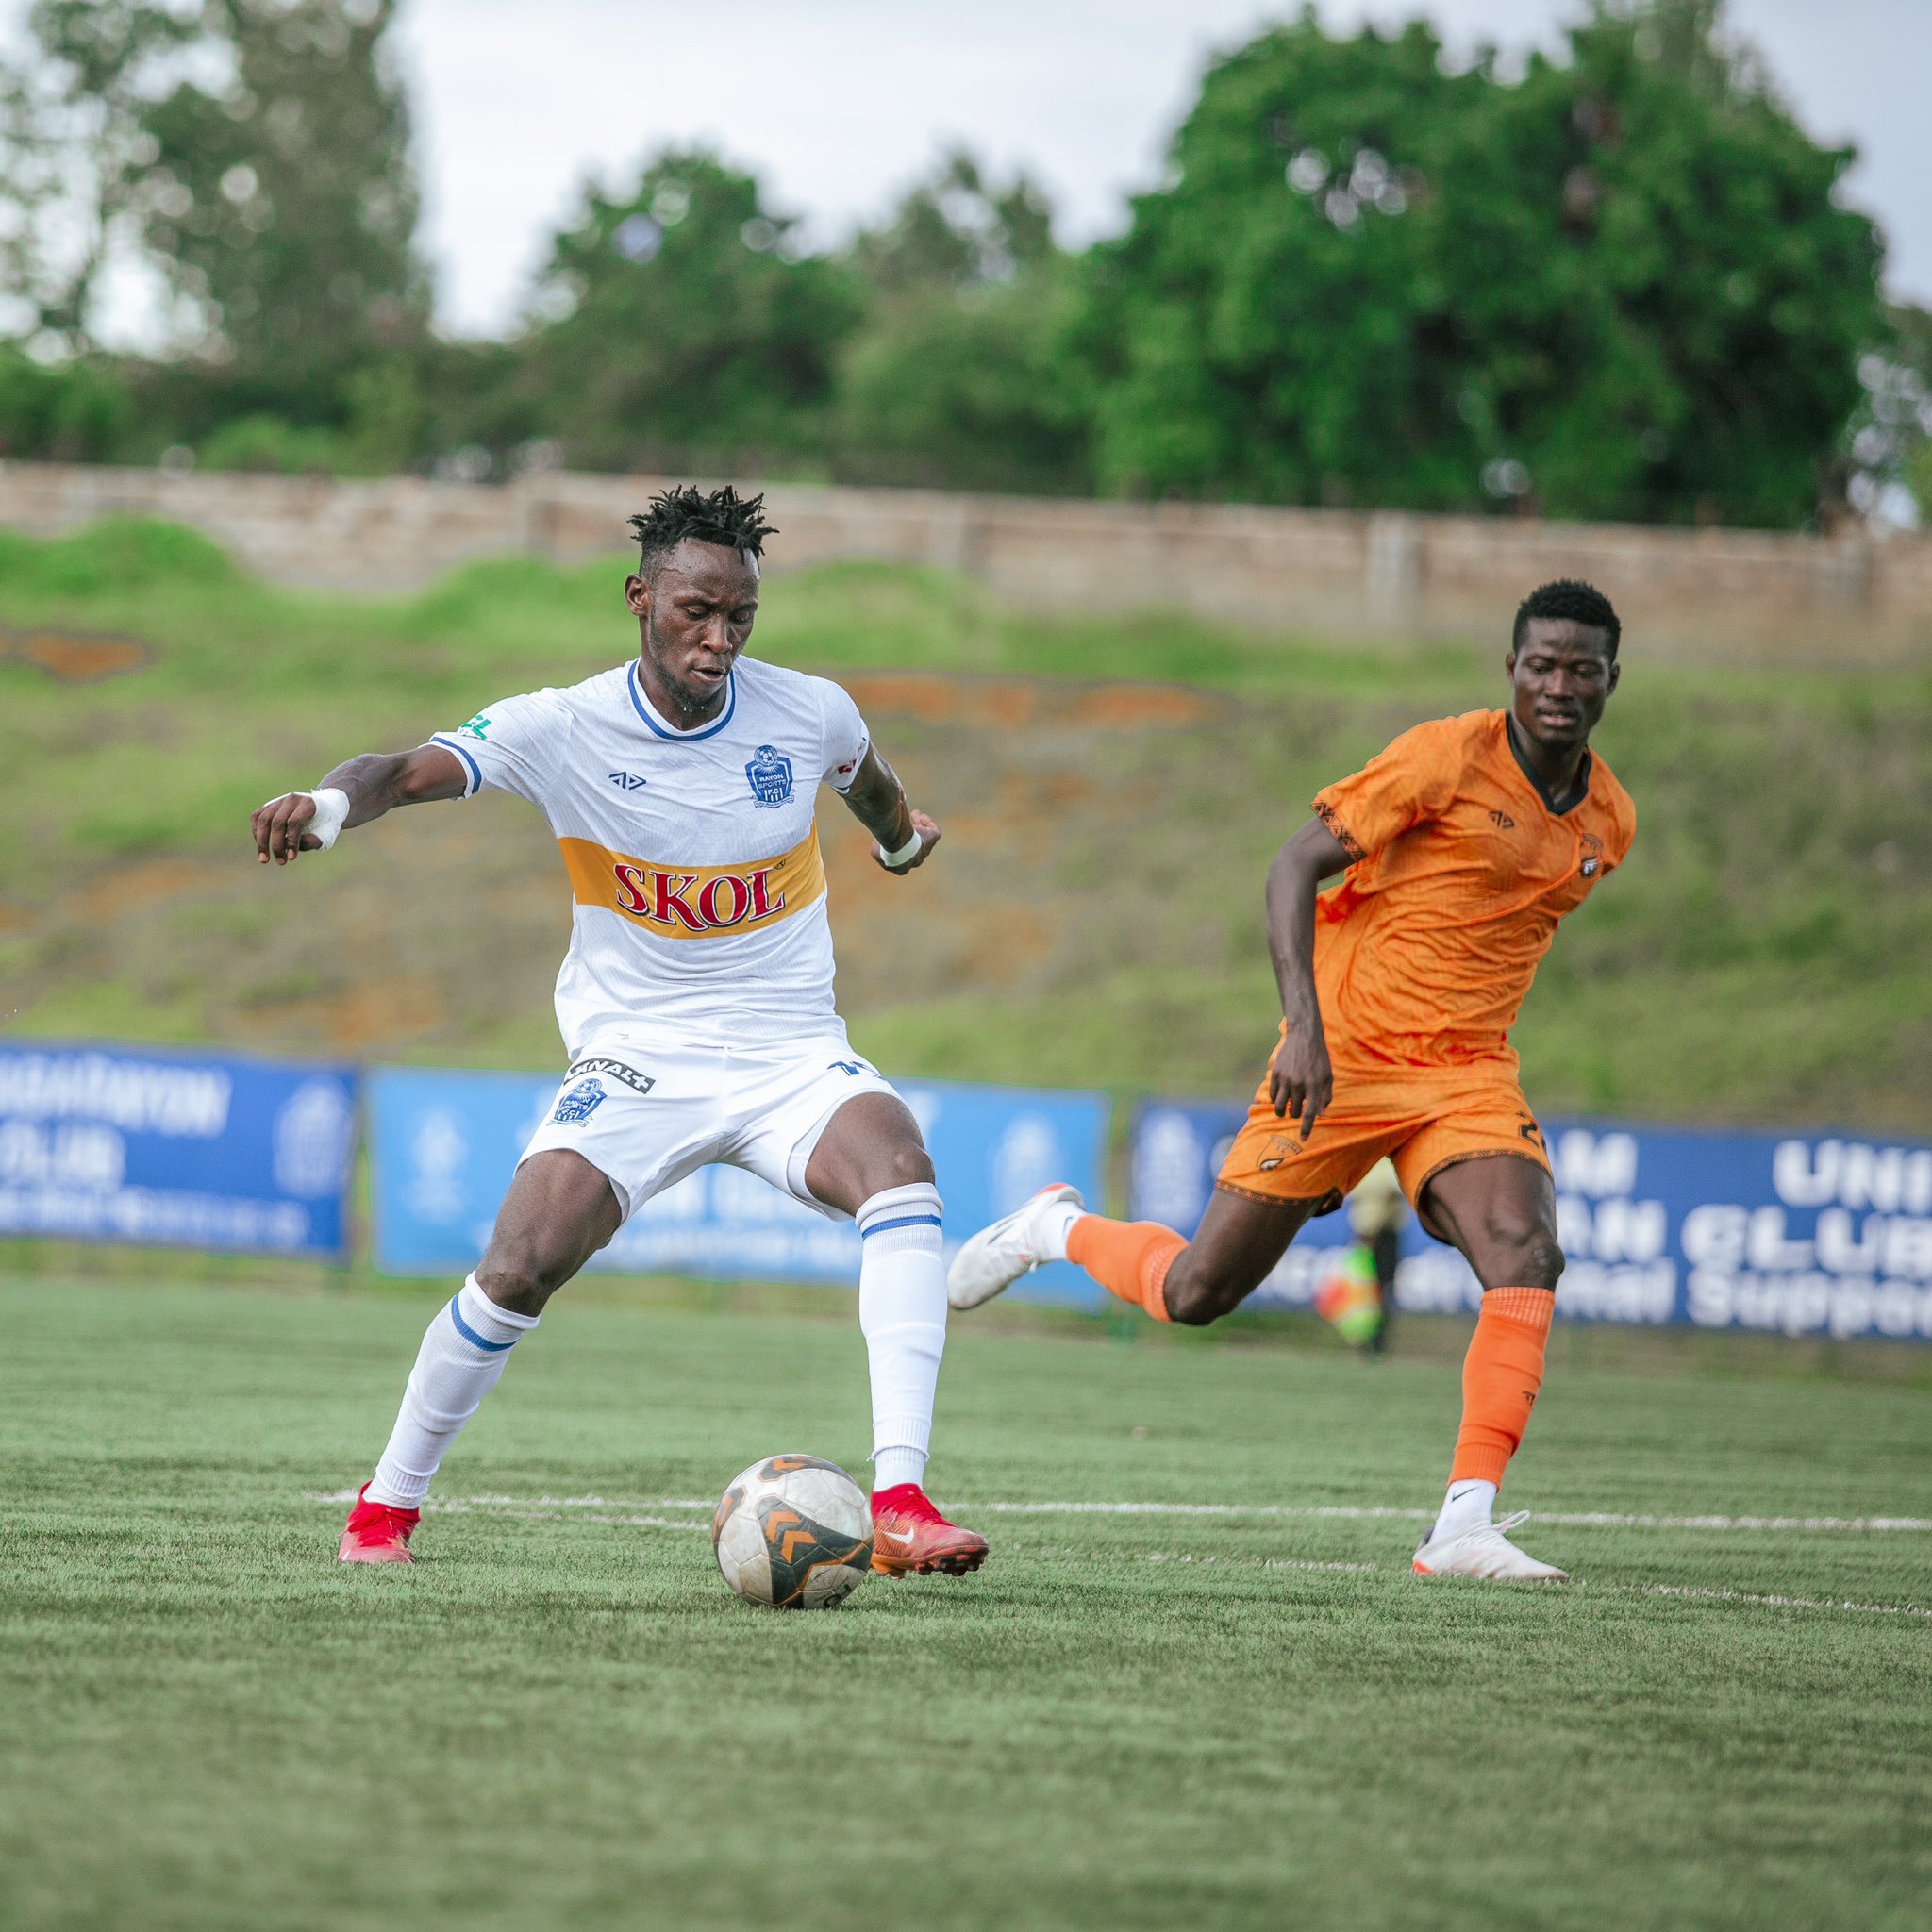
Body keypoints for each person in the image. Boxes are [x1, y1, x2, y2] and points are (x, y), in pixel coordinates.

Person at [252, 485, 987, 1577]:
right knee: (519, 1263)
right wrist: (325, 807)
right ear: (640, 598)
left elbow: (872, 786)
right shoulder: (562, 725)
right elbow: (398, 771)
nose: (719, 638)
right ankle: (383, 1509)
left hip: (789, 1050)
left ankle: (902, 1501)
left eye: (739, 616)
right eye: (696, 610)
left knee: (899, 1170)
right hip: (636, 1056)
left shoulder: (809, 711)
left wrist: (897, 843)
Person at [948, 580, 1635, 1583]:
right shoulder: (1444, 756)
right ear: (1511, 670)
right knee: (1197, 1291)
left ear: (1611, 680)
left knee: (1526, 1252)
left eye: (1581, 669)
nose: (1560, 686)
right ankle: (1054, 1229)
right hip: (1342, 1056)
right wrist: (1304, 1030)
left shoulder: (1609, 822)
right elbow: (1291, 865)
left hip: (1467, 1073)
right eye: (1542, 665)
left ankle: (1463, 1523)